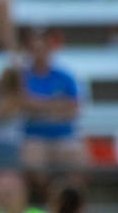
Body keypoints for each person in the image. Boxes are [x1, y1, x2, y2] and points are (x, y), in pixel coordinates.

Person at [19, 28, 84, 171]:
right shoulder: (22, 77)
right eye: (35, 49)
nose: (39, 53)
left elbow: (74, 108)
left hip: (64, 136)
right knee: (33, 161)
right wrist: (57, 105)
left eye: (43, 49)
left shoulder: (65, 77)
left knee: (79, 161)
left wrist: (39, 105)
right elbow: (23, 104)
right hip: (34, 137)